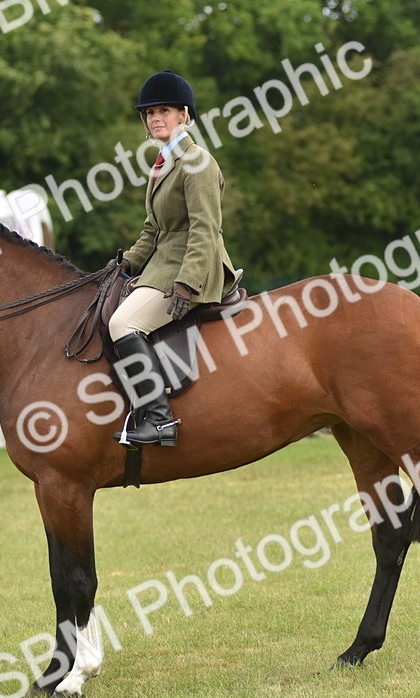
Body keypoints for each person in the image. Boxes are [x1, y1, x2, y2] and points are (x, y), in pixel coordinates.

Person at [106, 70, 239, 447]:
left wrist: (188, 281)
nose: (154, 118)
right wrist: (126, 264)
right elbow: (153, 230)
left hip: (193, 268)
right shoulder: (163, 163)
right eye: (148, 113)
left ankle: (160, 419)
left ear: (184, 114)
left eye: (163, 110)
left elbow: (205, 229)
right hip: (164, 265)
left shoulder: (197, 162)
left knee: (123, 324)